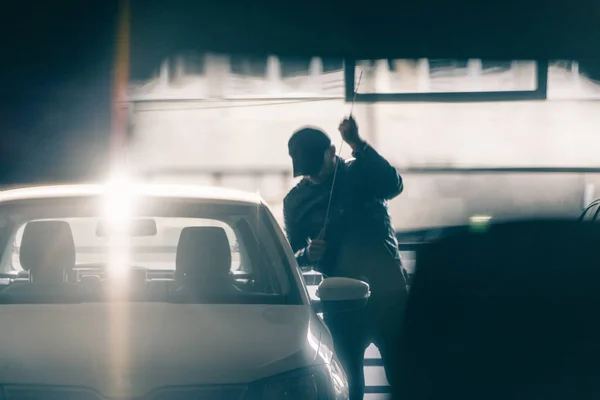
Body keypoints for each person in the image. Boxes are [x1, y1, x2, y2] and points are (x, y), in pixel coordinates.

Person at [283, 116, 408, 400]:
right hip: (341, 303)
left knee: (404, 375)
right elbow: (291, 255)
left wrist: (358, 144)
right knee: (348, 385)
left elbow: (394, 185)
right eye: (306, 172)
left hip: (388, 293)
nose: (311, 177)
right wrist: (307, 253)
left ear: (331, 151)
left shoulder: (361, 173)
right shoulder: (295, 201)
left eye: (316, 167)